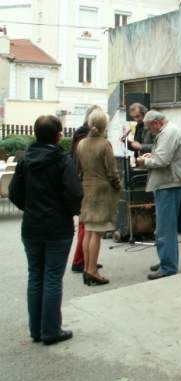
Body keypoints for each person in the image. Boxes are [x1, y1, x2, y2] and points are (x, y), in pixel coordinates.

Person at [9, 115, 83, 345]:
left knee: (36, 276)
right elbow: (74, 193)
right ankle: (51, 330)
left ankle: (37, 330)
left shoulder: (25, 161)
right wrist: (68, 211)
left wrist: (30, 208)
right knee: (51, 278)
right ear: (59, 134)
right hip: (57, 228)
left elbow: (14, 192)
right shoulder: (62, 161)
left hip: (32, 226)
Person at [137, 110, 181, 280]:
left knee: (165, 228)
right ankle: (166, 260)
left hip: (170, 185)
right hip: (170, 183)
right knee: (166, 227)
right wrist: (152, 155)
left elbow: (162, 160)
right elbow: (164, 156)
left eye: (148, 128)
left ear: (157, 123)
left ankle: (168, 266)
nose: (148, 132)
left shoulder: (168, 133)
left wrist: (144, 161)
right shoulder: (169, 131)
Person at [77, 109, 121, 286]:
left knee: (88, 230)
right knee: (97, 233)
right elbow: (112, 172)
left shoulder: (81, 144)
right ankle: (93, 270)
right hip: (102, 191)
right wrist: (118, 187)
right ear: (105, 125)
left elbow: (79, 170)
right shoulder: (104, 144)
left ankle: (87, 268)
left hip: (87, 189)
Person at [70, 105, 101, 274]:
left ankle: (88, 261)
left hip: (83, 183)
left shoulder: (80, 135)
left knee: (87, 226)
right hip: (86, 185)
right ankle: (80, 261)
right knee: (86, 227)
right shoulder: (84, 137)